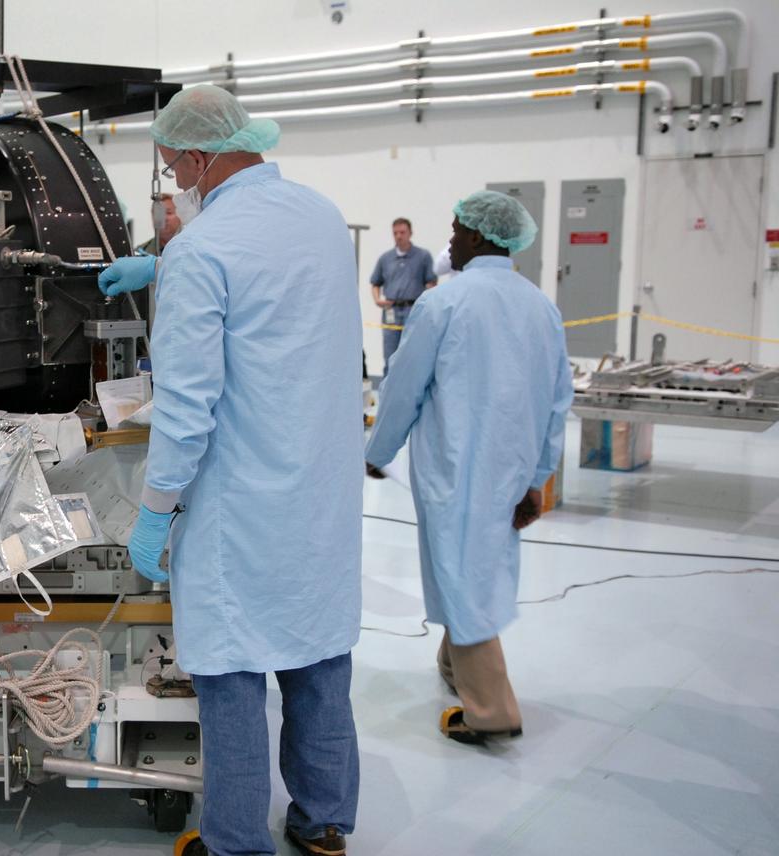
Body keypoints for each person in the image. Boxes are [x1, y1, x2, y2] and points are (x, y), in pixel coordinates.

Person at [97, 85, 362, 856]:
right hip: (319, 489)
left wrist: (155, 508)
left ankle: (238, 841)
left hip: (241, 503)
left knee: (233, 674)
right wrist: (159, 265)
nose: (173, 175)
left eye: (174, 162)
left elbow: (185, 409)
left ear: (199, 156)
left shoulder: (202, 251)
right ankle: (322, 824)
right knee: (317, 659)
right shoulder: (318, 216)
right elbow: (274, 298)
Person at [364, 190, 572, 745]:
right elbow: (557, 404)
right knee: (476, 568)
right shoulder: (539, 306)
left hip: (456, 470)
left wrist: (376, 452)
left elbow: (403, 389)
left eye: (456, 230)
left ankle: (492, 711)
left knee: (462, 576)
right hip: (510, 471)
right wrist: (537, 481)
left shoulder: (445, 304)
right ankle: (456, 667)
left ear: (480, 237)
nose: (449, 240)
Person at [368, 217, 435, 376]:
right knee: (390, 354)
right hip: (391, 311)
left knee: (412, 353)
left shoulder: (422, 256)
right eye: (395, 233)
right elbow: (375, 283)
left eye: (402, 232)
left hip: (413, 310)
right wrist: (378, 300)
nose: (399, 236)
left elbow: (431, 283)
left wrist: (426, 304)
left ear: (410, 233)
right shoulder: (385, 258)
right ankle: (387, 395)